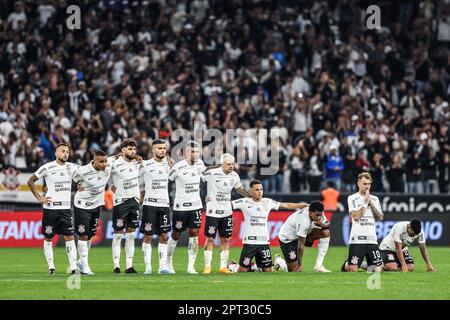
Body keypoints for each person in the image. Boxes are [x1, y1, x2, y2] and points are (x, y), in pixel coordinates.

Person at [227, 180, 309, 273]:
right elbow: (228, 204)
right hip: (250, 242)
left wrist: (303, 205)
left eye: (261, 189)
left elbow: (286, 205)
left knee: (268, 271)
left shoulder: (268, 202)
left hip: (264, 242)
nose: (260, 192)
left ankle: (253, 267)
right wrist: (211, 201)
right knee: (242, 270)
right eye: (257, 189)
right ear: (251, 191)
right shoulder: (244, 202)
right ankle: (232, 265)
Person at [27, 143, 79, 275]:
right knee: (48, 237)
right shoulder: (47, 167)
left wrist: (81, 184)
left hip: (66, 208)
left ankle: (73, 267)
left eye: (67, 151)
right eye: (62, 151)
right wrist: (39, 197)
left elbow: (87, 171)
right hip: (50, 209)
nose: (65, 153)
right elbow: (30, 181)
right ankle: (51, 267)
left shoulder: (72, 167)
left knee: (69, 237)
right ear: (56, 153)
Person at [202, 153, 252, 274]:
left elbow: (240, 190)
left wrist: (251, 197)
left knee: (225, 239)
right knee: (210, 239)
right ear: (222, 164)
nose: (232, 166)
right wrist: (204, 196)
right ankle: (207, 266)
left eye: (233, 164)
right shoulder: (212, 173)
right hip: (213, 213)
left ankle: (223, 267)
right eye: (229, 164)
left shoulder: (234, 175)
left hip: (227, 213)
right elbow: (197, 179)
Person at [166, 141, 209, 274]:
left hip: (196, 206)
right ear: (185, 153)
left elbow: (208, 179)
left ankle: (191, 267)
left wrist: (208, 195)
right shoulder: (177, 167)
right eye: (192, 152)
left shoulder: (201, 165)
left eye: (197, 152)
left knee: (194, 234)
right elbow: (166, 181)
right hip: (180, 208)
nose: (195, 155)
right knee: (176, 234)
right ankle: (168, 260)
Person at [72, 150, 112, 275]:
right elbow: (73, 180)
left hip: (96, 206)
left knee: (89, 236)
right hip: (82, 205)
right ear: (93, 161)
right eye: (101, 162)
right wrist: (78, 185)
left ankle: (81, 261)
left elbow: (119, 156)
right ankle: (85, 266)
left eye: (105, 161)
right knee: (83, 235)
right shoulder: (83, 170)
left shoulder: (108, 166)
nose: (104, 164)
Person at [139, 139, 174, 274]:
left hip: (164, 205)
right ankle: (148, 267)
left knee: (164, 236)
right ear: (153, 150)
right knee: (148, 236)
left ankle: (162, 267)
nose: (162, 151)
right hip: (150, 204)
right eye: (159, 148)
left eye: (164, 148)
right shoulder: (146, 165)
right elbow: (133, 178)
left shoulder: (169, 165)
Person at [110, 139, 142, 274]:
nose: (132, 151)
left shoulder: (138, 162)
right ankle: (116, 265)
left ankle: (129, 266)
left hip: (134, 201)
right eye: (129, 149)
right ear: (122, 150)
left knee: (130, 235)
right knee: (118, 235)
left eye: (134, 149)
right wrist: (116, 155)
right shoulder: (115, 163)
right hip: (120, 202)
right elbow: (102, 164)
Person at [341, 172, 384, 272]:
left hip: (372, 239)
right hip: (357, 240)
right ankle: (348, 263)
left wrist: (371, 204)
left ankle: (362, 264)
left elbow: (380, 217)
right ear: (358, 183)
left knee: (378, 270)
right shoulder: (352, 198)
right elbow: (356, 217)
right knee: (352, 270)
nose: (367, 186)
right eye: (365, 184)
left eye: (369, 184)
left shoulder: (375, 199)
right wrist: (365, 204)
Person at [275, 201, 331, 272]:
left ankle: (318, 266)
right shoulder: (303, 220)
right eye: (317, 215)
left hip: (304, 233)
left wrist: (323, 225)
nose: (319, 217)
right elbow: (300, 245)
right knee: (293, 269)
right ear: (310, 213)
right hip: (288, 239)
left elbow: (327, 224)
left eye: (321, 215)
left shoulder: (318, 212)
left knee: (325, 232)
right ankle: (279, 261)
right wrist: (299, 265)